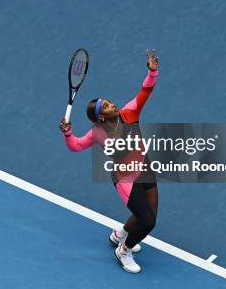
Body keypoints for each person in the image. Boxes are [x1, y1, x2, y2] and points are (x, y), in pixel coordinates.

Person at [59, 50, 160, 273]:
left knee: (149, 213)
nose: (112, 104)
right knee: (148, 221)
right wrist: (68, 133)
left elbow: (145, 91)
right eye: (106, 106)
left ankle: (120, 234)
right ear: (101, 118)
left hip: (144, 166)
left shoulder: (129, 113)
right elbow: (75, 146)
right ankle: (124, 250)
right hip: (126, 179)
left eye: (109, 102)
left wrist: (152, 72)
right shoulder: (97, 133)